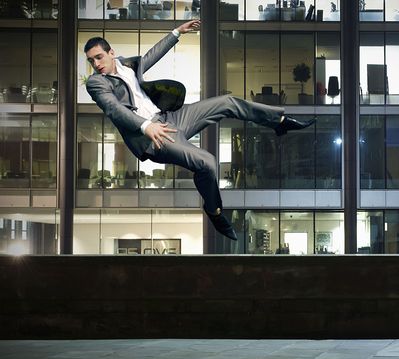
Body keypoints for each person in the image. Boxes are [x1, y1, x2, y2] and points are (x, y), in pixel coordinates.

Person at [84, 19, 314, 241]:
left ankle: (280, 121)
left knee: (227, 102)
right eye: (91, 61)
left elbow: (149, 57)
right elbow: (114, 109)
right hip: (154, 135)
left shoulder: (126, 64)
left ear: (111, 52)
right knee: (207, 162)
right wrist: (146, 127)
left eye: (99, 57)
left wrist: (177, 32)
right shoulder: (97, 83)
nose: (96, 64)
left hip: (171, 118)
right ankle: (214, 211)